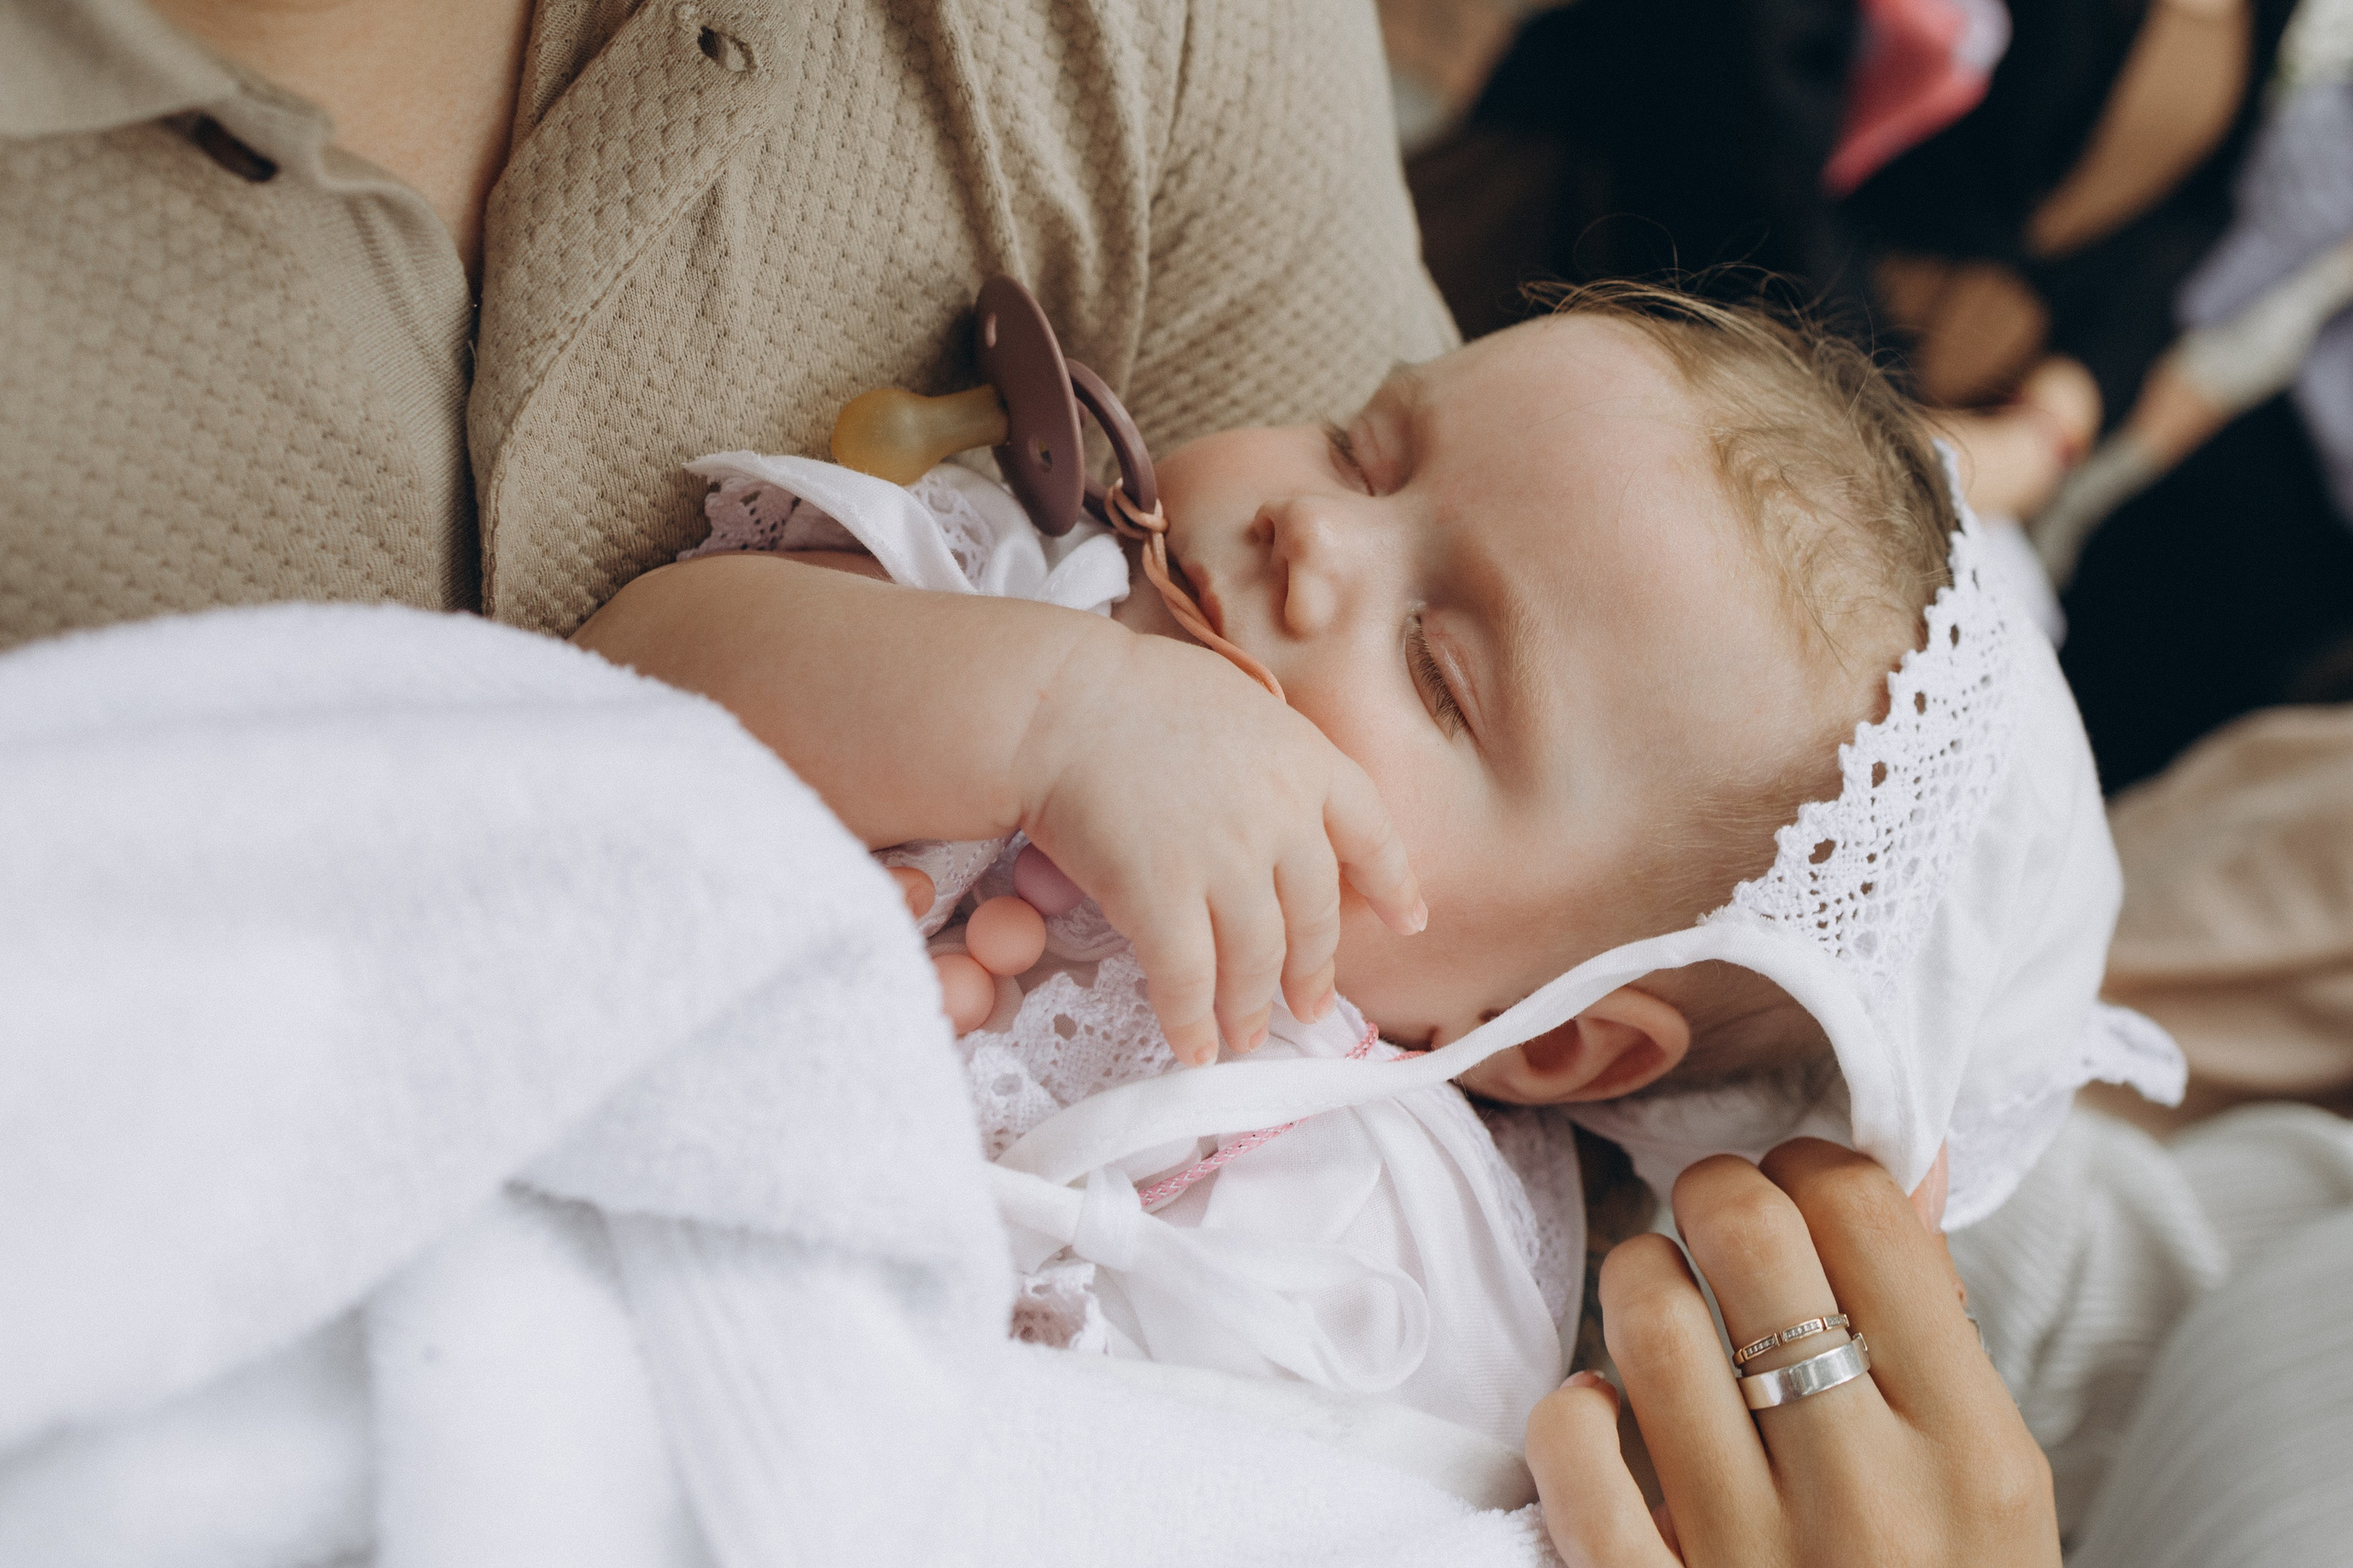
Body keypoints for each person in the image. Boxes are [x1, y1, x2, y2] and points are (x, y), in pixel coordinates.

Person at [574, 279, 2176, 1496]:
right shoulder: (1035, 599)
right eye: (1367, 441)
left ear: (1548, 1039)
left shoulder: (1424, 1264)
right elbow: (632, 669)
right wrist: (1055, 711)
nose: (1314, 530)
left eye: (1436, 666)